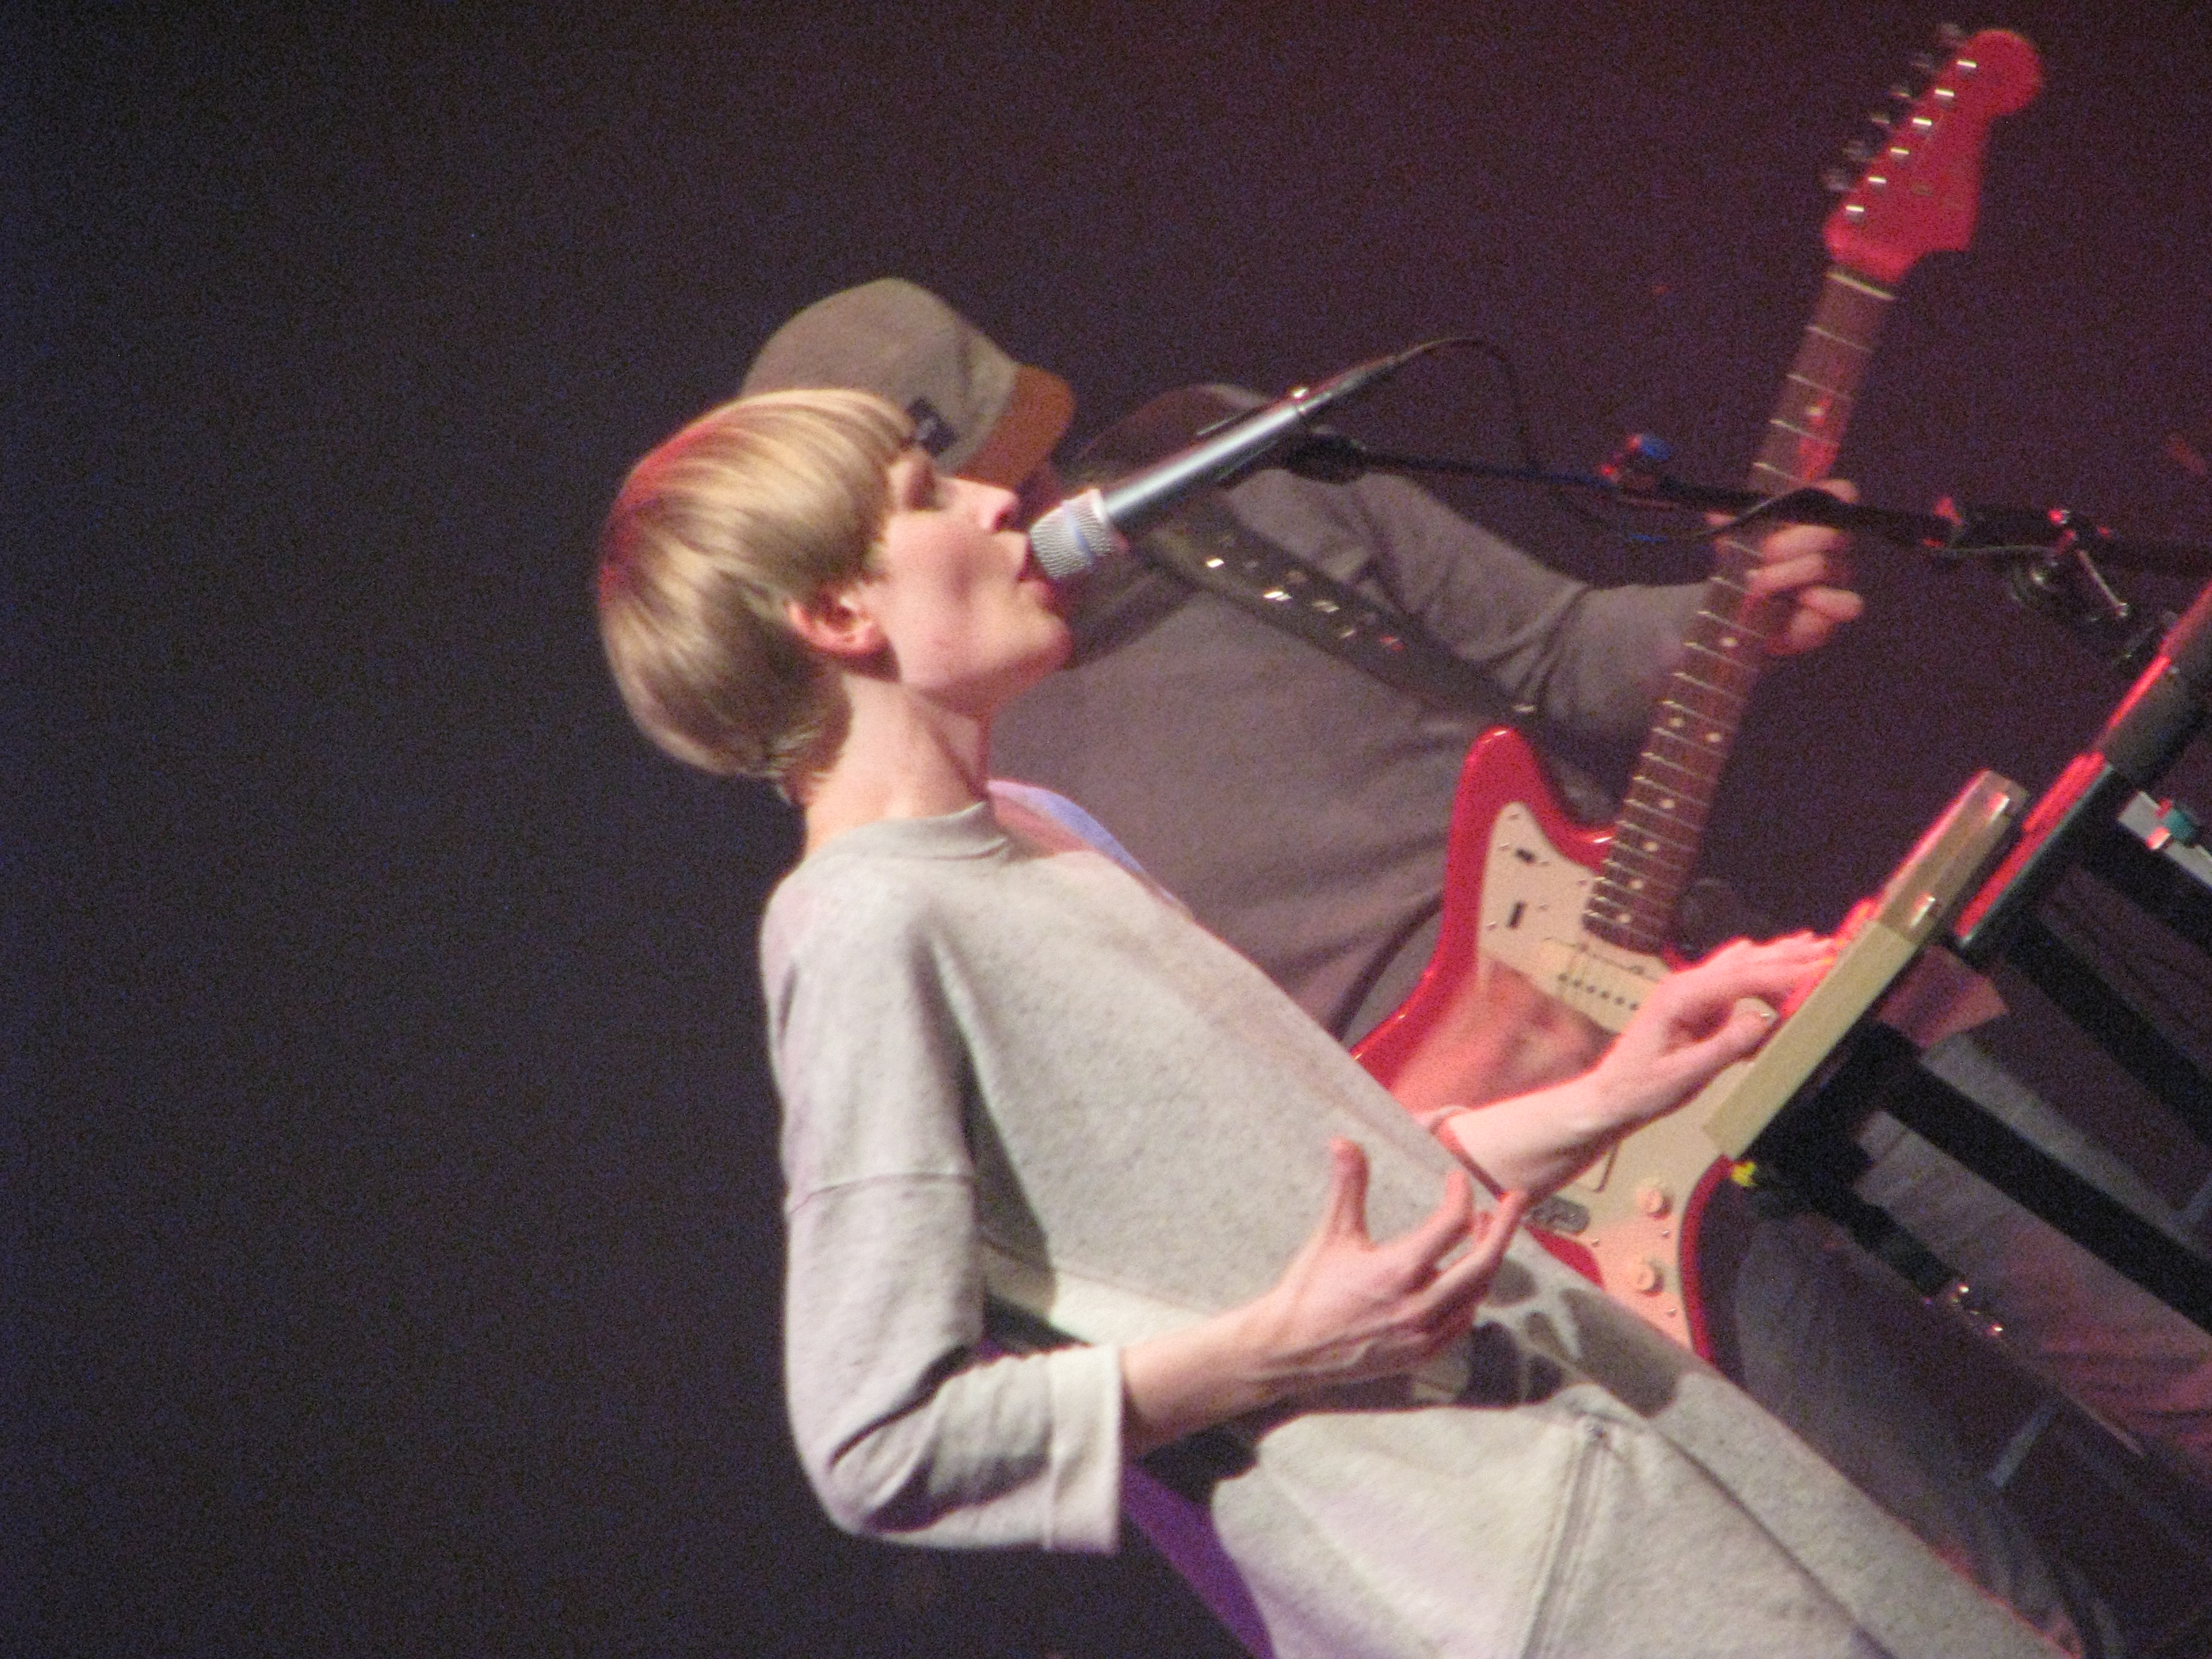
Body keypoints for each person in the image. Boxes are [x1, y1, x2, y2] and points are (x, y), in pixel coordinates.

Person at [594, 385, 2063, 1657]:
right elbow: (879, 1444)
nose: (994, 502)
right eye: (926, 495)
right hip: (1514, 1573)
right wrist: (1270, 1355)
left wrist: (1614, 1087)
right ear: (838, 614)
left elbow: (1330, 1196)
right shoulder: (863, 929)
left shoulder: (1037, 829)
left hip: (1619, 1443)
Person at [738, 281, 2212, 1491]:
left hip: (1717, 998)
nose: (1022, 509)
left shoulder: (1226, 477)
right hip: (1547, 1198)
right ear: (854, 580)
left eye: (1013, 462)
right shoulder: (984, 792)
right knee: (1940, 1583)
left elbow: (1558, 650)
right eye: (956, 493)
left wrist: (1727, 615)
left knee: (2170, 1341)